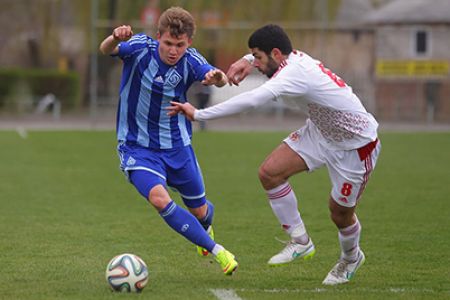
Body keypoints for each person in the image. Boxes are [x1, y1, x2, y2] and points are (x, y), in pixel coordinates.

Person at [168, 24, 381, 285]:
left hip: (356, 144)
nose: (256, 64)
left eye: (258, 57)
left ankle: (351, 258)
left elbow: (252, 100)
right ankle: (300, 241)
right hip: (320, 132)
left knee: (339, 213)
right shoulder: (289, 59)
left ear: (276, 54)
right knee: (269, 173)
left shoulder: (293, 73)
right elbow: (268, 58)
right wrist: (248, 59)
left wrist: (200, 114)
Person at [99, 6, 238, 275]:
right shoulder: (140, 47)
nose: (173, 50)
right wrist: (115, 37)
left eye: (180, 45)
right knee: (159, 199)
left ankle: (204, 226)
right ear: (158, 36)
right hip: (137, 147)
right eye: (168, 43)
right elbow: (106, 49)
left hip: (178, 147)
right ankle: (219, 251)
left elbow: (216, 78)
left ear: (189, 43)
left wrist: (218, 77)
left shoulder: (191, 60)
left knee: (200, 211)